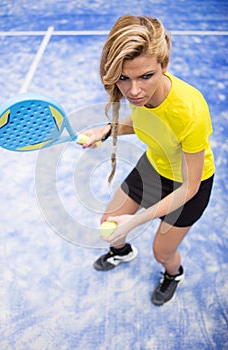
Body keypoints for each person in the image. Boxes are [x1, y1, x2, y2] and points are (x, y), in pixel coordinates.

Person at [80, 15, 215, 306]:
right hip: (154, 166)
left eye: (146, 77)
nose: (134, 91)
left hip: (189, 183)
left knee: (162, 253)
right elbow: (143, 122)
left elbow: (189, 187)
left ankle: (173, 274)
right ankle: (122, 251)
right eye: (124, 78)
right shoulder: (140, 96)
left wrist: (135, 220)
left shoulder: (190, 110)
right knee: (108, 223)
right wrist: (106, 130)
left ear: (164, 66)